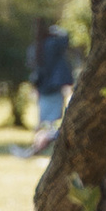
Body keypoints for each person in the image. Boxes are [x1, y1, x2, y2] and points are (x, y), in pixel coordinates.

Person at [28, 16, 77, 152]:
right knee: (52, 122)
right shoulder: (52, 43)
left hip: (43, 87)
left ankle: (38, 146)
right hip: (53, 87)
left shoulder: (37, 45)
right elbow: (65, 40)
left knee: (45, 120)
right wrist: (58, 32)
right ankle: (41, 146)